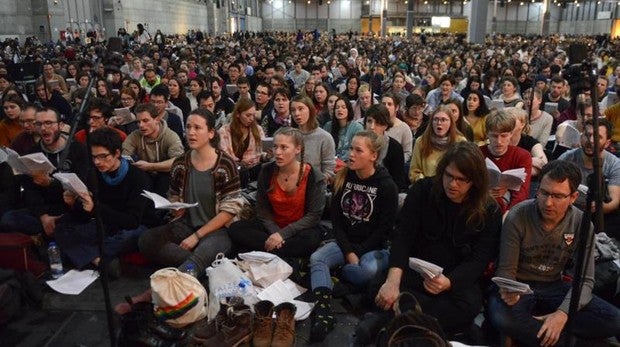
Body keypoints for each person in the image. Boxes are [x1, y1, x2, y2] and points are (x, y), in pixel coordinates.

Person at [374, 141, 502, 335]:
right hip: (416, 270)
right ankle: (420, 321)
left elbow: (479, 259)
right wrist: (392, 282)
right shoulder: (423, 189)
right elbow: (402, 237)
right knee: (378, 284)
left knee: (469, 305)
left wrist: (449, 281)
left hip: (454, 278)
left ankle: (400, 317)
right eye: (449, 176)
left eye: (462, 180)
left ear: (474, 181)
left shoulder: (489, 210)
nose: (452, 184)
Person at [488, 160, 620, 346]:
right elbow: (506, 270)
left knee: (614, 320)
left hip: (553, 285)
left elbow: (585, 279)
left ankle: (543, 331)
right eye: (543, 193)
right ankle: (565, 340)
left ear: (573, 197)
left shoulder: (581, 223)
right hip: (520, 286)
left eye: (558, 196)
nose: (548, 202)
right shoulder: (518, 216)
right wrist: (508, 289)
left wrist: (562, 314)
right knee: (502, 317)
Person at [308, 130, 398, 342]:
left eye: (358, 150)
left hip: (374, 246)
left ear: (373, 156)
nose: (351, 154)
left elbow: (384, 230)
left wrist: (357, 251)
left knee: (365, 270)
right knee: (316, 258)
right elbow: (337, 221)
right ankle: (323, 312)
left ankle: (339, 278)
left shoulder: (387, 186)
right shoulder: (344, 176)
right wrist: (348, 251)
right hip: (345, 242)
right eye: (351, 148)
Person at [139, 108, 245, 277]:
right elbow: (173, 194)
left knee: (206, 250)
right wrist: (175, 207)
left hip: (217, 229)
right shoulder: (181, 162)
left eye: (197, 128)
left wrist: (196, 236)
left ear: (211, 133)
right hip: (186, 224)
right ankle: (202, 266)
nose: (191, 133)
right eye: (188, 127)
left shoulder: (225, 164)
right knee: (147, 240)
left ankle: (169, 283)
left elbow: (230, 211)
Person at [54, 128, 149, 274]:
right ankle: (99, 261)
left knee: (133, 236)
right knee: (62, 228)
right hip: (102, 224)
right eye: (94, 157)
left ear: (117, 153)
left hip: (128, 227)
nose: (98, 162)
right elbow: (85, 215)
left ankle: (83, 254)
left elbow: (132, 221)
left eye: (103, 156)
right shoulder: (94, 173)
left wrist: (95, 207)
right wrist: (74, 204)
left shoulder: (137, 177)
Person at [228, 127, 325, 257]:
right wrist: (275, 233)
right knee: (236, 228)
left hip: (300, 229)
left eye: (284, 148)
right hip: (271, 227)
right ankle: (284, 252)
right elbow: (262, 209)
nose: (277, 152)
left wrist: (282, 235)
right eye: (275, 147)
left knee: (310, 239)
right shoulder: (267, 171)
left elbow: (314, 215)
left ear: (298, 149)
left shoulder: (314, 175)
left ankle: (269, 252)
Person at [0, 107, 88, 236]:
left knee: (75, 221)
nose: (43, 128)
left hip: (70, 207)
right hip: (44, 209)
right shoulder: (32, 152)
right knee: (8, 219)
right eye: (39, 124)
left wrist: (51, 183)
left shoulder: (77, 150)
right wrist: (43, 216)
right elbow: (30, 190)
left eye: (48, 123)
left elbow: (82, 185)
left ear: (60, 125)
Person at [558, 119, 620, 238]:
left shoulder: (614, 164)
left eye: (597, 137)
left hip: (599, 216)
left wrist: (599, 206)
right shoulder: (567, 158)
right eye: (587, 135)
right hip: (568, 211)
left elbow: (614, 201)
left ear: (607, 143)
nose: (591, 141)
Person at [122, 103, 184, 196]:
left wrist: (150, 166)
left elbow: (177, 162)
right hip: (144, 176)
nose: (141, 125)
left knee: (164, 178)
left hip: (164, 178)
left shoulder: (171, 136)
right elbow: (124, 155)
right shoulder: (135, 135)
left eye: (145, 120)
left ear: (157, 120)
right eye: (138, 122)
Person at [480, 110, 532, 214]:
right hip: (480, 206)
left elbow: (522, 191)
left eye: (504, 136)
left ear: (511, 134)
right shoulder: (478, 153)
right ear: (487, 134)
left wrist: (509, 213)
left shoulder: (522, 156)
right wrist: (484, 193)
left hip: (510, 209)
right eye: (494, 136)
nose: (499, 141)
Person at [409, 106, 467, 183]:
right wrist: (426, 183)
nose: (439, 123)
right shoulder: (421, 141)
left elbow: (465, 171)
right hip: (427, 187)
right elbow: (413, 172)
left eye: (443, 120)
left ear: (451, 123)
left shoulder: (461, 142)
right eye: (436, 119)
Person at [218, 98, 266, 187]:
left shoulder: (258, 130)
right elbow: (223, 155)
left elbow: (260, 153)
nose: (251, 119)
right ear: (238, 114)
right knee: (241, 172)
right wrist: (238, 165)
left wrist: (267, 155)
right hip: (232, 170)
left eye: (253, 115)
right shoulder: (224, 131)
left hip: (254, 169)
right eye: (248, 115)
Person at [290, 95, 336, 181]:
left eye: (300, 109)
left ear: (310, 110)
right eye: (293, 110)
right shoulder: (289, 136)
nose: (296, 113)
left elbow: (329, 170)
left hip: (314, 186)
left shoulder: (325, 137)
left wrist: (316, 183)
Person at [365, 104, 408, 191]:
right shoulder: (359, 143)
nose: (372, 127)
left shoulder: (395, 148)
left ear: (385, 125)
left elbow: (398, 183)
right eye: (369, 121)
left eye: (377, 123)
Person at [506, 107, 548, 177]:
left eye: (512, 120)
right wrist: (528, 161)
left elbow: (542, 164)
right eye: (506, 120)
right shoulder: (499, 138)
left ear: (522, 124)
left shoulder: (531, 142)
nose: (507, 123)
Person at [323, 96, 363, 162]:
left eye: (343, 107)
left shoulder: (357, 127)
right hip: (330, 163)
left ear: (349, 110)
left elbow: (358, 151)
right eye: (337, 108)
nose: (339, 110)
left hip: (349, 163)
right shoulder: (328, 126)